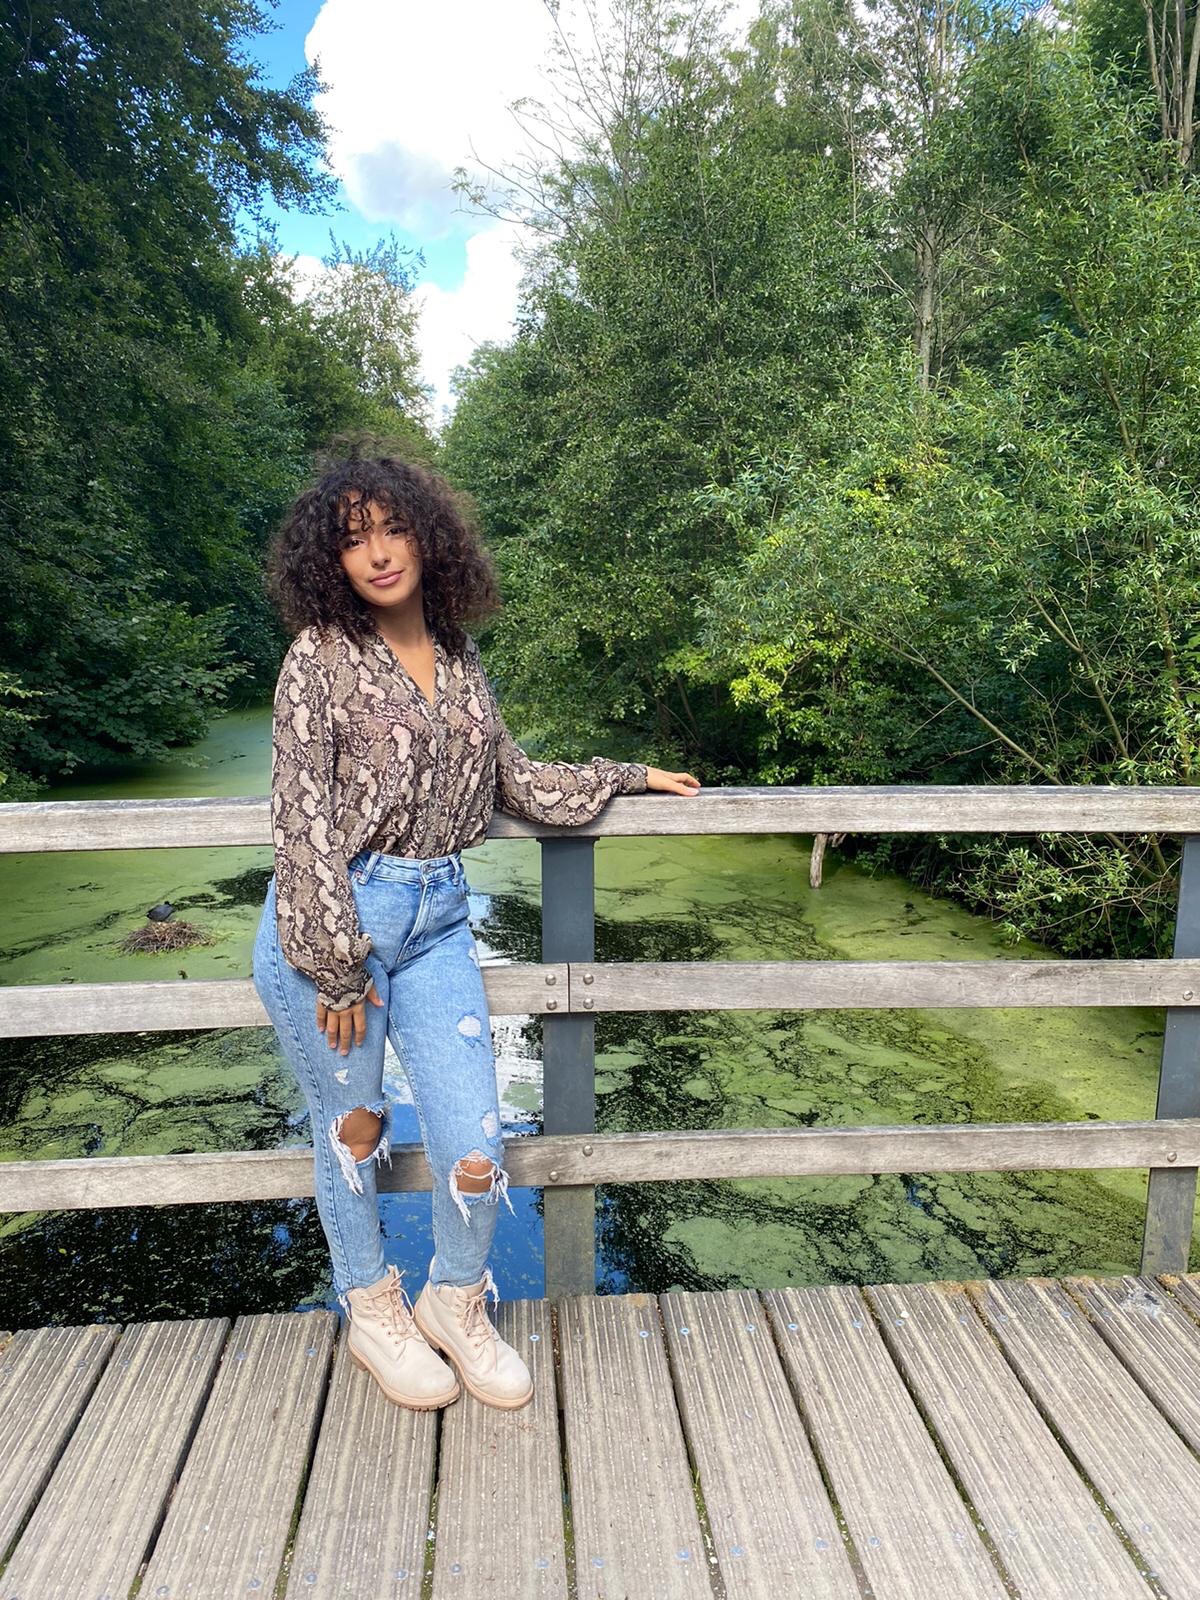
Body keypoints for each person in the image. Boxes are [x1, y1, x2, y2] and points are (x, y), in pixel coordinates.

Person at [251, 441, 700, 1413]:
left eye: (392, 529)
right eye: (354, 539)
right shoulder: (318, 658)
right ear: (329, 559)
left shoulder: (457, 654)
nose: (378, 553)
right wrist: (334, 965)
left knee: (475, 1140)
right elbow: (300, 817)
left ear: (429, 536)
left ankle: (454, 1300)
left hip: (438, 921)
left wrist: (625, 775)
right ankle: (372, 1309)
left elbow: (514, 780)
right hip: (336, 928)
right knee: (354, 1131)